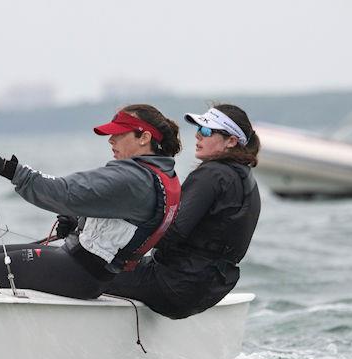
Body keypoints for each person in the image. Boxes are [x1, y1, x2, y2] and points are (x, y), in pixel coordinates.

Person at [0, 104, 181, 299]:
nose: (111, 140)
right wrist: (78, 222)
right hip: (83, 267)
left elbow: (64, 192)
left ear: (145, 137)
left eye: (119, 134)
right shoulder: (159, 175)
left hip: (78, 273)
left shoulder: (134, 179)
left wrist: (8, 169)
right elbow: (123, 223)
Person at [104, 103, 261, 319]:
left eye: (206, 131)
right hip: (210, 288)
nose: (198, 136)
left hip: (175, 286)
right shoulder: (246, 180)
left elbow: (171, 233)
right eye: (198, 129)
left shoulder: (212, 175)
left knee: (90, 270)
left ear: (231, 141)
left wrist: (116, 230)